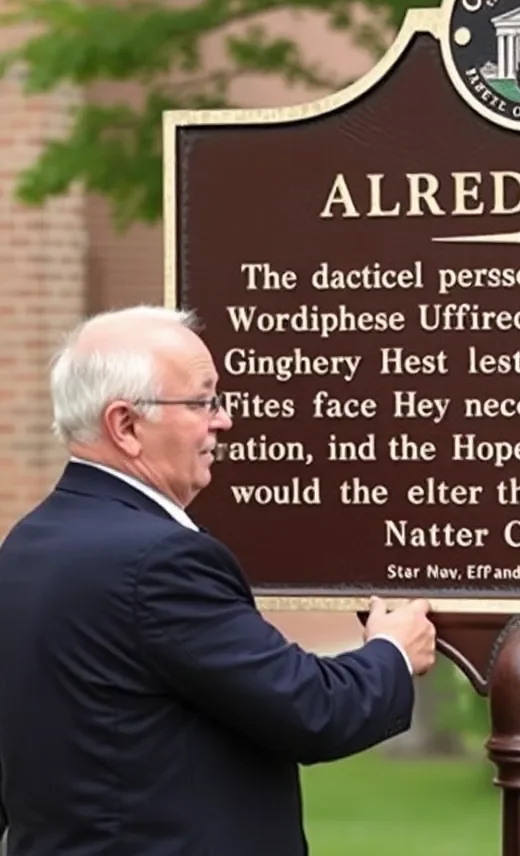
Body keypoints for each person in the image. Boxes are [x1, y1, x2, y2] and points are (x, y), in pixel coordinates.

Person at [0, 306, 436, 855]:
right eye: (203, 401)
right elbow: (312, 711)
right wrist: (393, 651)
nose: (223, 420)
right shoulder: (158, 561)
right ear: (126, 426)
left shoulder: (27, 544)